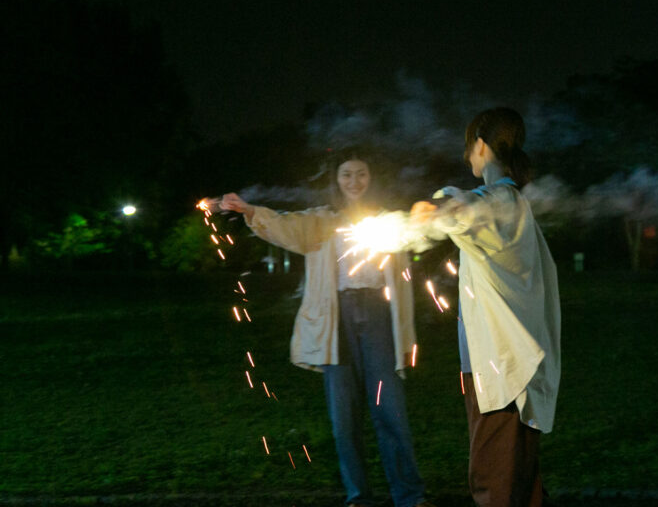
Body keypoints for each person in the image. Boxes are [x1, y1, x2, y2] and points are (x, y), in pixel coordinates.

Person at [217, 150, 432, 507]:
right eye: (346, 174)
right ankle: (358, 496)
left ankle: (410, 496)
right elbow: (286, 226)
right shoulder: (321, 221)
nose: (354, 181)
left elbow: (421, 236)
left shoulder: (390, 221)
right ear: (336, 179)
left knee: (390, 411)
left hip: (379, 315)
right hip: (337, 319)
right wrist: (250, 210)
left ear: (372, 178)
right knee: (344, 418)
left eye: (361, 173)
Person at [412, 107, 561, 507]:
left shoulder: (501, 200)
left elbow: (469, 209)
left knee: (494, 481)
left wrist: (440, 207)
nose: (467, 157)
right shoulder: (512, 202)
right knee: (520, 481)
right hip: (511, 364)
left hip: (498, 369)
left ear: (480, 145)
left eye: (469, 148)